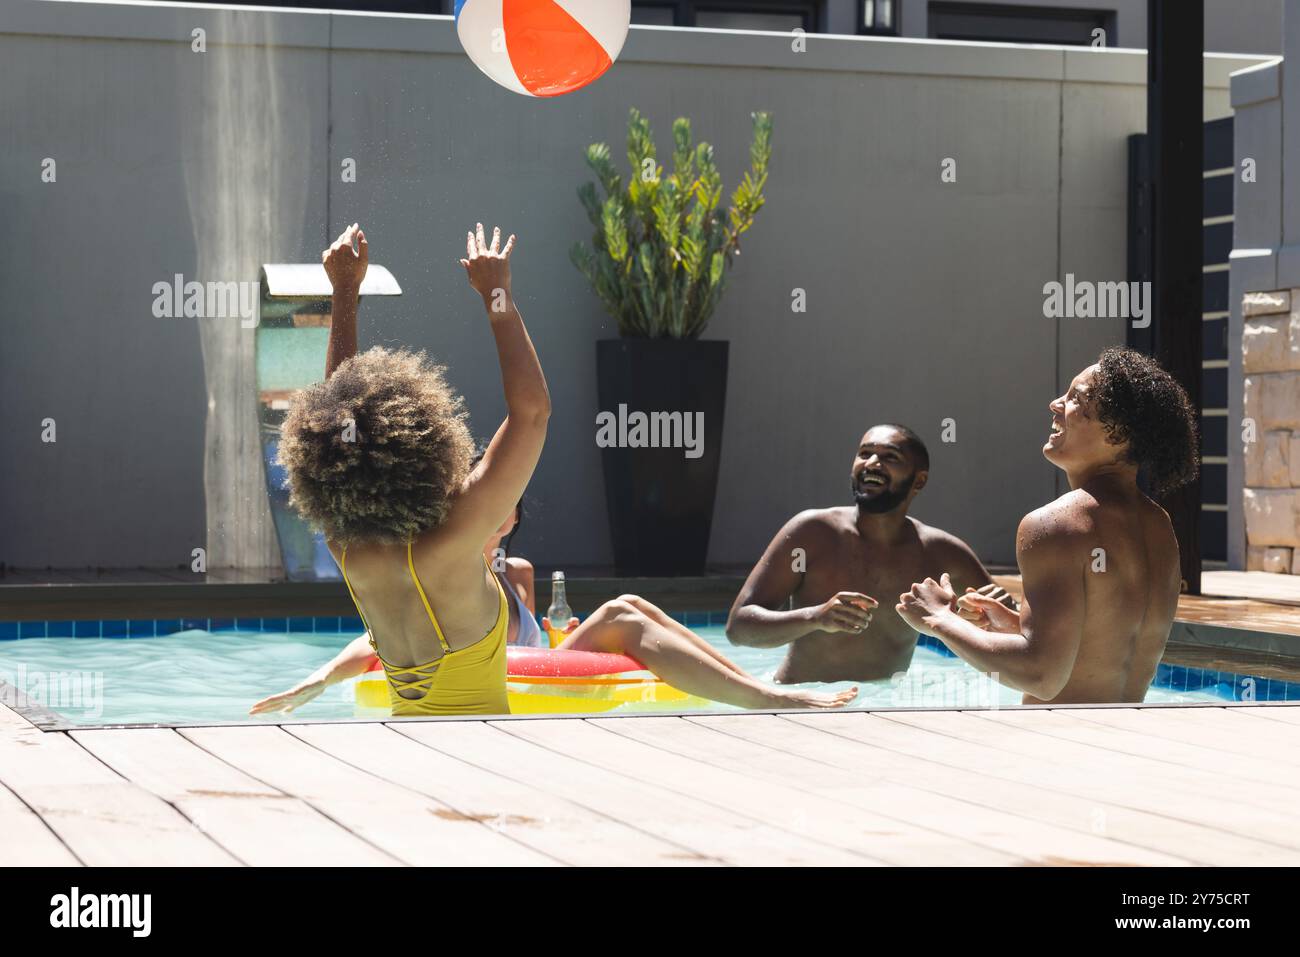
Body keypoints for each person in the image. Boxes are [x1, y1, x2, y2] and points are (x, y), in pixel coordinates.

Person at [254, 223, 855, 716]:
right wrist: (497, 296)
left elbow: (340, 422)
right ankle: (772, 700)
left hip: (406, 745)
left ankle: (767, 693)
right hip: (483, 755)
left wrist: (345, 297)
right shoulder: (457, 539)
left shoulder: (348, 547)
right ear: (427, 452)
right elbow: (533, 412)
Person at [895, 348, 1198, 705]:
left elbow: (1041, 676)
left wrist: (938, 620)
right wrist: (1014, 626)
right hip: (1121, 742)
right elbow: (1105, 647)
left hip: (1056, 746)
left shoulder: (1056, 525)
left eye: (1076, 399)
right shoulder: (1158, 526)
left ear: (1118, 434)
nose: (1055, 404)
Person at [725, 424, 1013, 683]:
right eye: (864, 454)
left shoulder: (942, 554)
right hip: (799, 703)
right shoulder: (811, 533)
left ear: (919, 480)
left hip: (883, 710)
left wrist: (1000, 611)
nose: (872, 463)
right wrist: (815, 618)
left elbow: (1017, 632)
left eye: (890, 457)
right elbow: (738, 628)